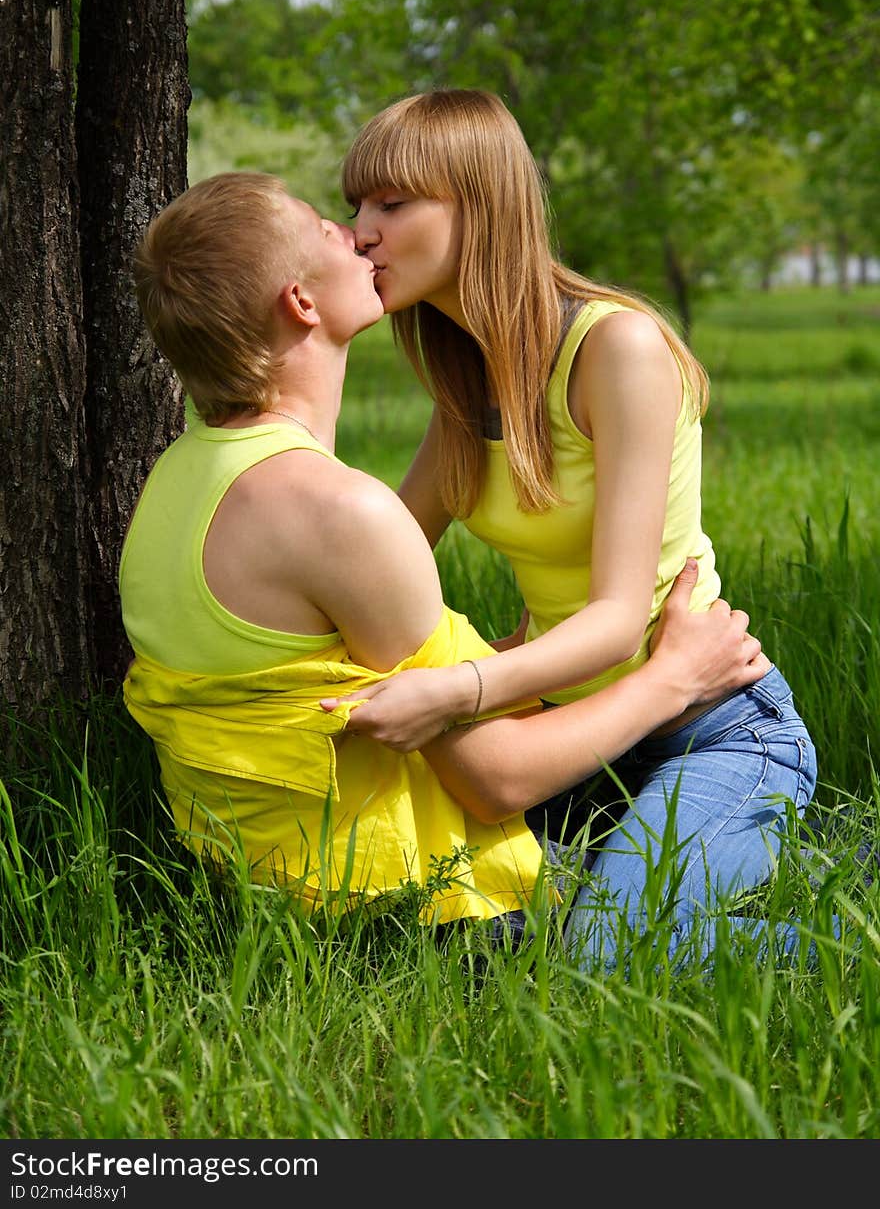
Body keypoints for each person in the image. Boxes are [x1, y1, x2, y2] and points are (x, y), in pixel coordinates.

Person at [119, 170, 769, 952]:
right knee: (601, 949)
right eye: (333, 225)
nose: (357, 232)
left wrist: (498, 664)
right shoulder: (341, 512)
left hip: (280, 898)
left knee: (621, 907)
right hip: (384, 904)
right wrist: (675, 677)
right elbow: (496, 779)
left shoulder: (176, 478)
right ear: (301, 303)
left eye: (381, 210)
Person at [321, 87, 819, 966]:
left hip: (714, 724)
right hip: (579, 740)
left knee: (597, 952)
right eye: (356, 205)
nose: (361, 231)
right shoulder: (465, 388)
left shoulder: (613, 349)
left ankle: (845, 939)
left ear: (480, 209)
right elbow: (375, 556)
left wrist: (457, 689)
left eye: (393, 204)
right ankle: (768, 871)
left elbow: (618, 619)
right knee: (409, 918)